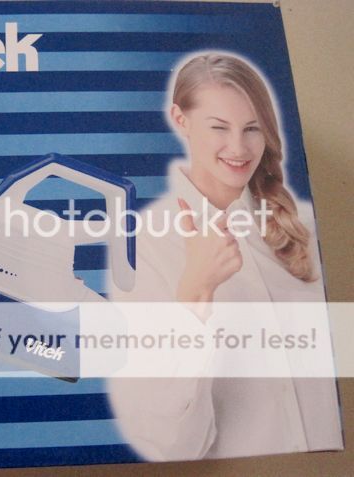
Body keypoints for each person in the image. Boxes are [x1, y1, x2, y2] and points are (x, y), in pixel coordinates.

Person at [106, 52, 343, 461]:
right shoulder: (146, 245)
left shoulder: (304, 224)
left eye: (252, 128)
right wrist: (194, 294)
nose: (238, 147)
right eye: (219, 127)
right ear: (180, 120)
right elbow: (170, 443)